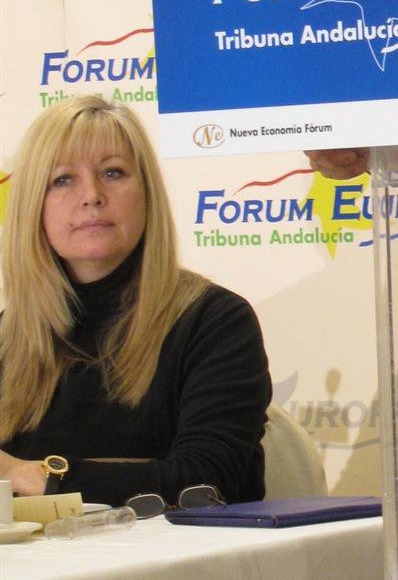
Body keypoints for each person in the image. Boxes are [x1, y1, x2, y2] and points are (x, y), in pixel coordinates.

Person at [0, 95, 271, 505]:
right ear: (32, 206)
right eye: (63, 179)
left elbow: (206, 481)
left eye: (113, 172)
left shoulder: (215, 321)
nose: (92, 195)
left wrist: (31, 475)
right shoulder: (8, 336)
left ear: (147, 193)